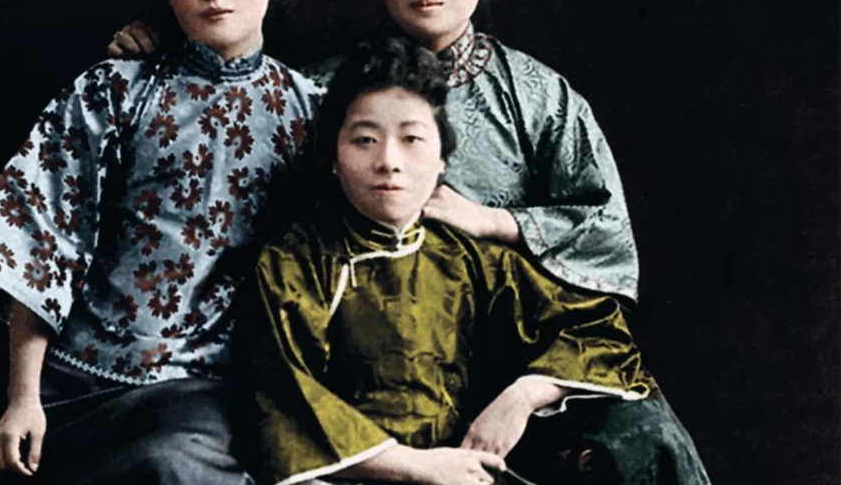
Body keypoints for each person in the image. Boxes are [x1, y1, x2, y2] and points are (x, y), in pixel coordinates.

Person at [110, 0, 712, 482]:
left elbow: (605, 234)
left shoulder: (540, 97)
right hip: (370, 362)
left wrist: (494, 224)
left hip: (528, 354)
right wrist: (167, 56)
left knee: (645, 438)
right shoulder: (320, 89)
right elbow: (237, 100)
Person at [0, 0, 317, 483]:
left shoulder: (316, 114)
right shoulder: (113, 90)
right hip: (78, 380)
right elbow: (40, 242)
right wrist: (23, 396)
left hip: (215, 385)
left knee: (174, 465)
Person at [233, 36, 656, 485]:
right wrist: (416, 467)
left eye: (412, 139)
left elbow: (598, 333)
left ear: (442, 160)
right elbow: (279, 395)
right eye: (364, 140)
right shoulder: (297, 261)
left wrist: (524, 394)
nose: (389, 161)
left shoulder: (467, 255)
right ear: (333, 159)